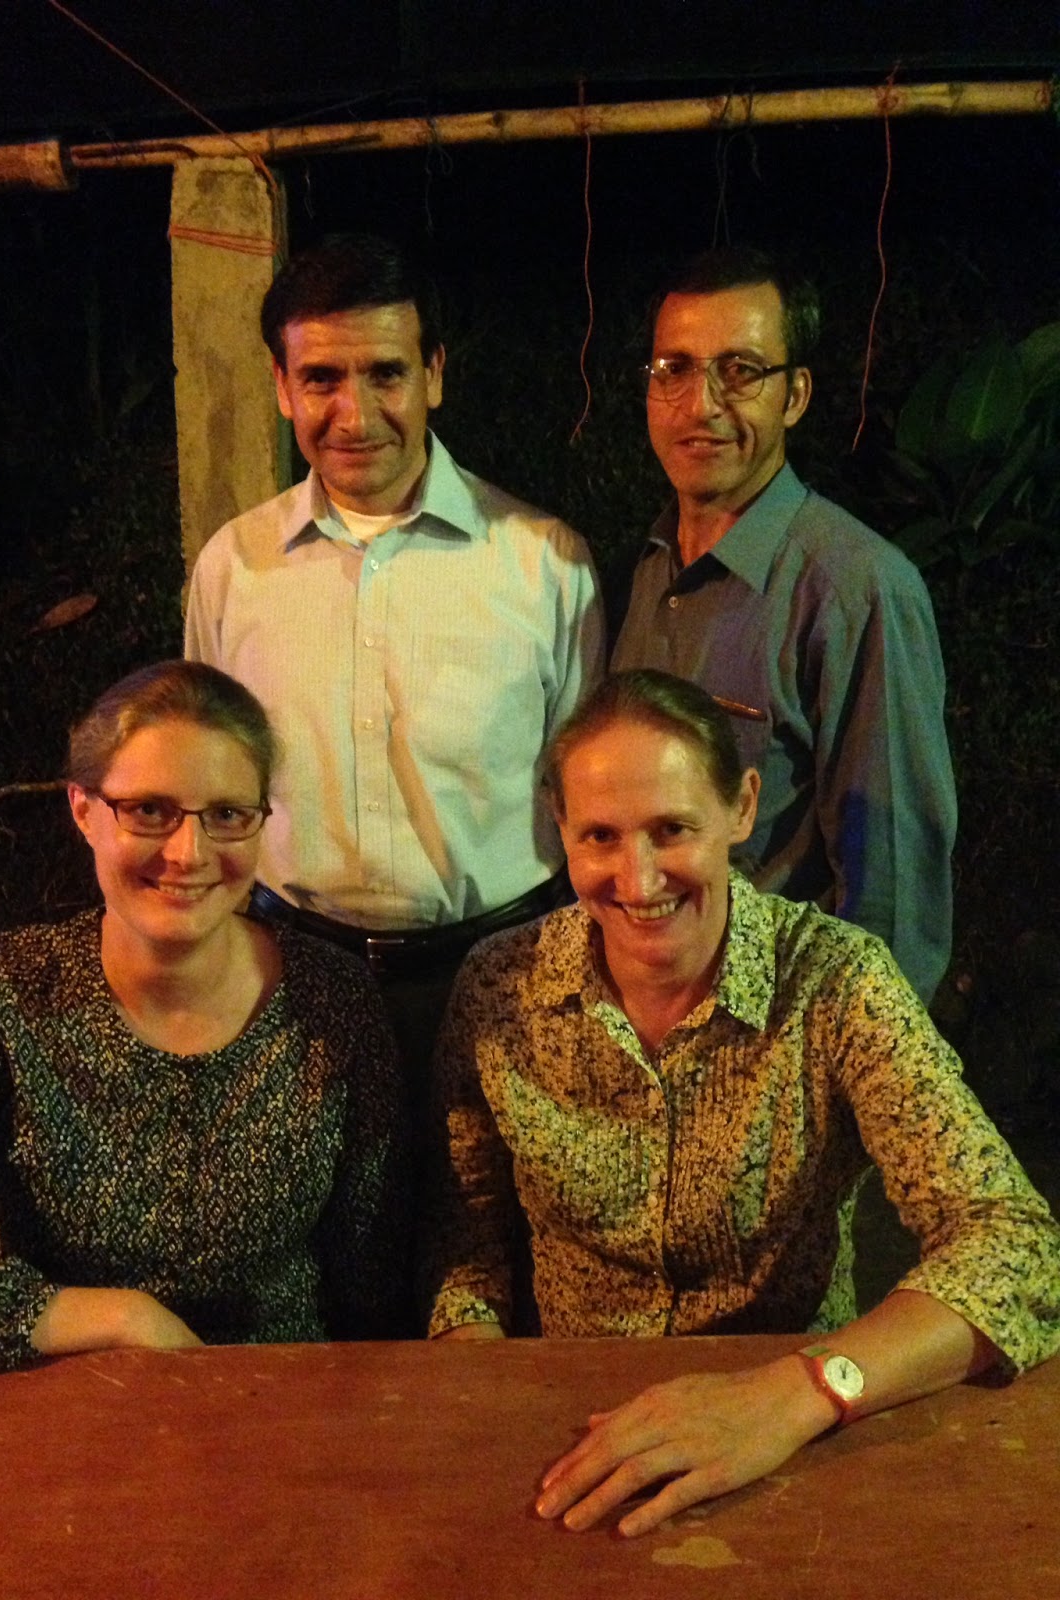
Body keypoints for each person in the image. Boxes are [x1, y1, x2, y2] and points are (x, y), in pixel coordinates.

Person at [424, 670, 1060, 1535]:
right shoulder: (501, 984)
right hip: (568, 1436)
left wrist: (797, 1392)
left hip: (790, 1434)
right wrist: (476, 1371)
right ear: (560, 832)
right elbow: (466, 1229)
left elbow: (1015, 1244)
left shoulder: (835, 981)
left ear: (741, 808)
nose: (637, 877)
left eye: (672, 829)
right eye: (600, 836)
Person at [0, 661, 408, 1379]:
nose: (188, 853)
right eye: (150, 810)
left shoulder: (332, 999)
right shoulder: (4, 993)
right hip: (68, 1409)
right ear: (83, 810)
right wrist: (112, 1317)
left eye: (227, 815)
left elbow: (377, 1293)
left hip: (282, 1404)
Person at [184, 233, 604, 1078]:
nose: (355, 414)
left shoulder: (547, 566)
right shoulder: (232, 569)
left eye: (385, 373)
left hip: (505, 984)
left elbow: (590, 799)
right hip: (290, 981)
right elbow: (209, 786)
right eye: (321, 379)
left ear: (434, 374)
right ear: (281, 386)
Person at [612, 247, 955, 1004]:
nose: (700, 405)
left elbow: (893, 892)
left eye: (739, 371)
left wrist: (855, 1054)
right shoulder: (647, 567)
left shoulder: (855, 588)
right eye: (674, 369)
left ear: (794, 395)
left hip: (775, 1030)